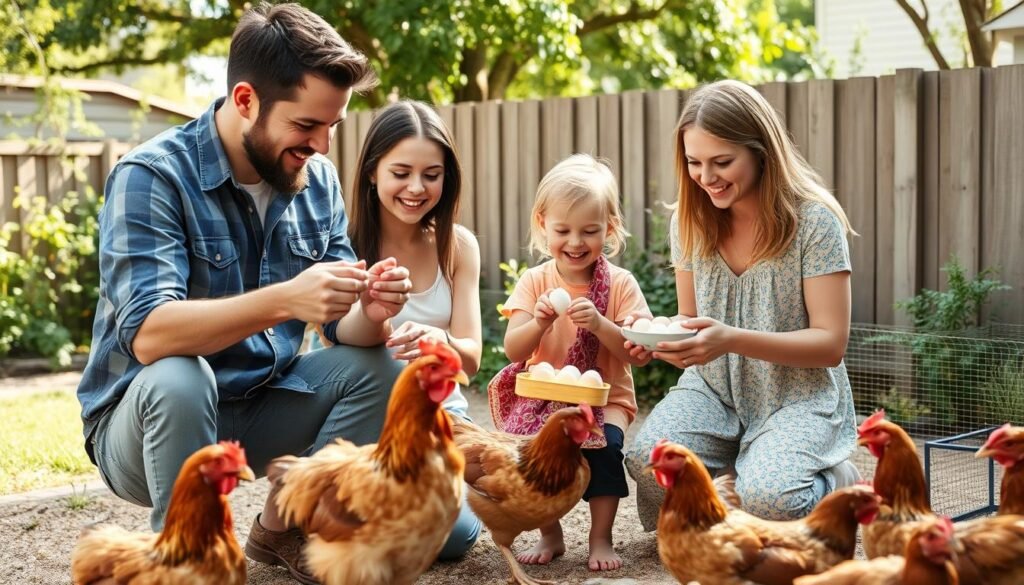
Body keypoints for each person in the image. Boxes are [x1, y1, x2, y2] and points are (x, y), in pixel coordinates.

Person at [75, 4, 410, 583]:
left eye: (332, 126)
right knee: (182, 375)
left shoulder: (315, 180)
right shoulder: (151, 176)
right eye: (307, 126)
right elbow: (150, 336)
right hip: (147, 423)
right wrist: (285, 299)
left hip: (258, 403)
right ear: (246, 100)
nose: (323, 146)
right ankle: (188, 563)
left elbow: (339, 329)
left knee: (377, 364)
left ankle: (285, 527)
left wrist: (370, 312)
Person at [623, 79, 861, 531]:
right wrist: (657, 336)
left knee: (773, 499)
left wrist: (730, 339)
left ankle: (835, 480)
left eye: (722, 162)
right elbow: (691, 325)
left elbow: (830, 344)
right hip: (713, 391)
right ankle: (743, 471)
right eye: (694, 162)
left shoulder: (814, 223)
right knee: (648, 461)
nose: (706, 177)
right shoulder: (689, 221)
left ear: (761, 151)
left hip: (797, 396)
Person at [315, 99, 484, 559]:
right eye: (401, 172)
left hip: (440, 416)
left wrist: (440, 341)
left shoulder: (457, 246)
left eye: (432, 175)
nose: (416, 187)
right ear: (372, 172)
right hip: (364, 412)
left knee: (455, 536)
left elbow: (471, 354)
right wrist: (375, 315)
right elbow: (330, 339)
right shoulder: (342, 242)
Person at [490, 154, 651, 571]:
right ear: (543, 224)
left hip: (606, 398)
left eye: (590, 231)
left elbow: (638, 350)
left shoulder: (620, 285)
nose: (576, 242)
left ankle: (600, 538)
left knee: (605, 453)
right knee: (539, 463)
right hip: (544, 396)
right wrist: (540, 322)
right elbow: (514, 350)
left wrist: (600, 324)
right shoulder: (535, 281)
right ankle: (551, 535)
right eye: (563, 230)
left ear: (610, 228)